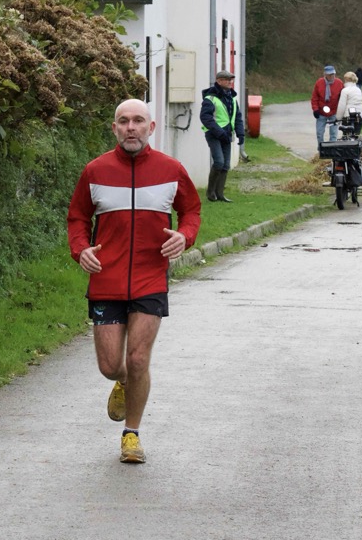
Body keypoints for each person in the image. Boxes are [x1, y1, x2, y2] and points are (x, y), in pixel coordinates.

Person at [67, 99, 202, 464]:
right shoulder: (95, 171)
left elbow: (191, 210)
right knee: (111, 365)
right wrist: (80, 250)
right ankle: (123, 381)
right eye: (124, 121)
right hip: (106, 279)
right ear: (114, 128)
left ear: (150, 127)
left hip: (150, 277)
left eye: (138, 121)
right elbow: (77, 218)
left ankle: (132, 434)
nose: (131, 127)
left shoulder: (171, 169)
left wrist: (185, 236)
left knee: (139, 358)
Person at [199, 69, 246, 203]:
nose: (230, 82)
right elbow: (205, 118)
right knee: (219, 162)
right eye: (227, 79)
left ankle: (220, 194)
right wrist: (219, 132)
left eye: (231, 79)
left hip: (227, 134)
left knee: (225, 165)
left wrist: (240, 133)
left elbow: (237, 117)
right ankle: (210, 193)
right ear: (219, 81)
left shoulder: (232, 98)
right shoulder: (210, 98)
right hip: (214, 134)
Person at [311, 65, 344, 144]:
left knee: (333, 133)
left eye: (333, 74)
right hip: (321, 111)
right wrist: (315, 109)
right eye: (330, 74)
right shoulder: (319, 82)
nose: (332, 76)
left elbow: (342, 98)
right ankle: (321, 147)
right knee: (319, 132)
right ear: (325, 74)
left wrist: (341, 110)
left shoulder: (339, 83)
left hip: (334, 111)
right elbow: (315, 97)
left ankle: (332, 148)